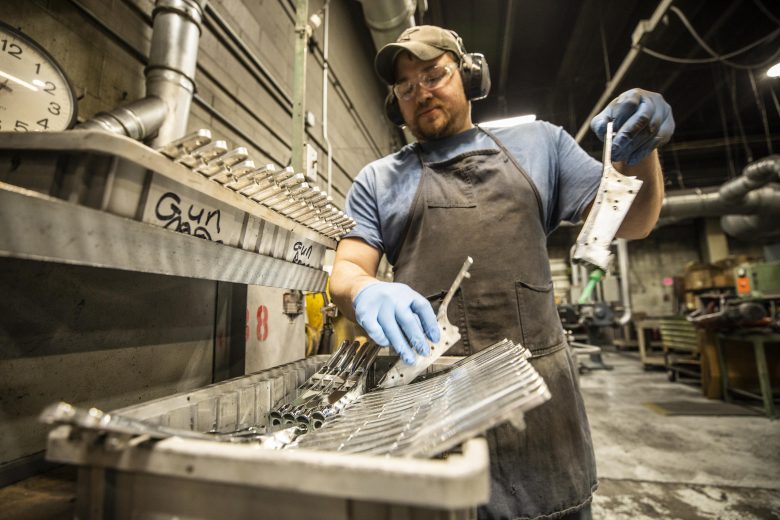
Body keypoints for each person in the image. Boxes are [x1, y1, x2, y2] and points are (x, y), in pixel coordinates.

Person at [329, 25, 673, 520]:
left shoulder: (541, 145)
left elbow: (635, 221)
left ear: (468, 75)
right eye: (405, 87)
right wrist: (363, 289)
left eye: (432, 74)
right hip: (430, 404)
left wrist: (641, 152)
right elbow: (346, 270)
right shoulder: (379, 179)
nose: (420, 91)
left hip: (539, 410)